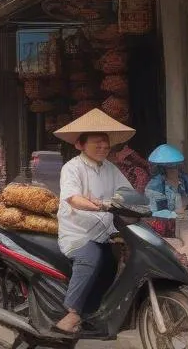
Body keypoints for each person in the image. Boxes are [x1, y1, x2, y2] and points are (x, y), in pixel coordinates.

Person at [53, 110, 135, 335]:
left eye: (106, 144)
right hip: (77, 233)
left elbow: (127, 192)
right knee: (91, 257)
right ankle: (71, 312)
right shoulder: (72, 168)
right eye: (97, 144)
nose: (103, 148)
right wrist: (97, 205)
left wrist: (141, 203)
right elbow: (73, 198)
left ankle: (91, 315)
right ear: (81, 144)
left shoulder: (110, 169)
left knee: (111, 265)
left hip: (105, 233)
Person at [145, 143, 188, 274]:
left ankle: (183, 264)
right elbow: (154, 210)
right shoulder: (155, 184)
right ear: (160, 167)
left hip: (185, 222)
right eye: (168, 166)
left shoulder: (187, 180)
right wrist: (176, 214)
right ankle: (175, 266)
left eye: (175, 165)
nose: (173, 168)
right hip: (164, 223)